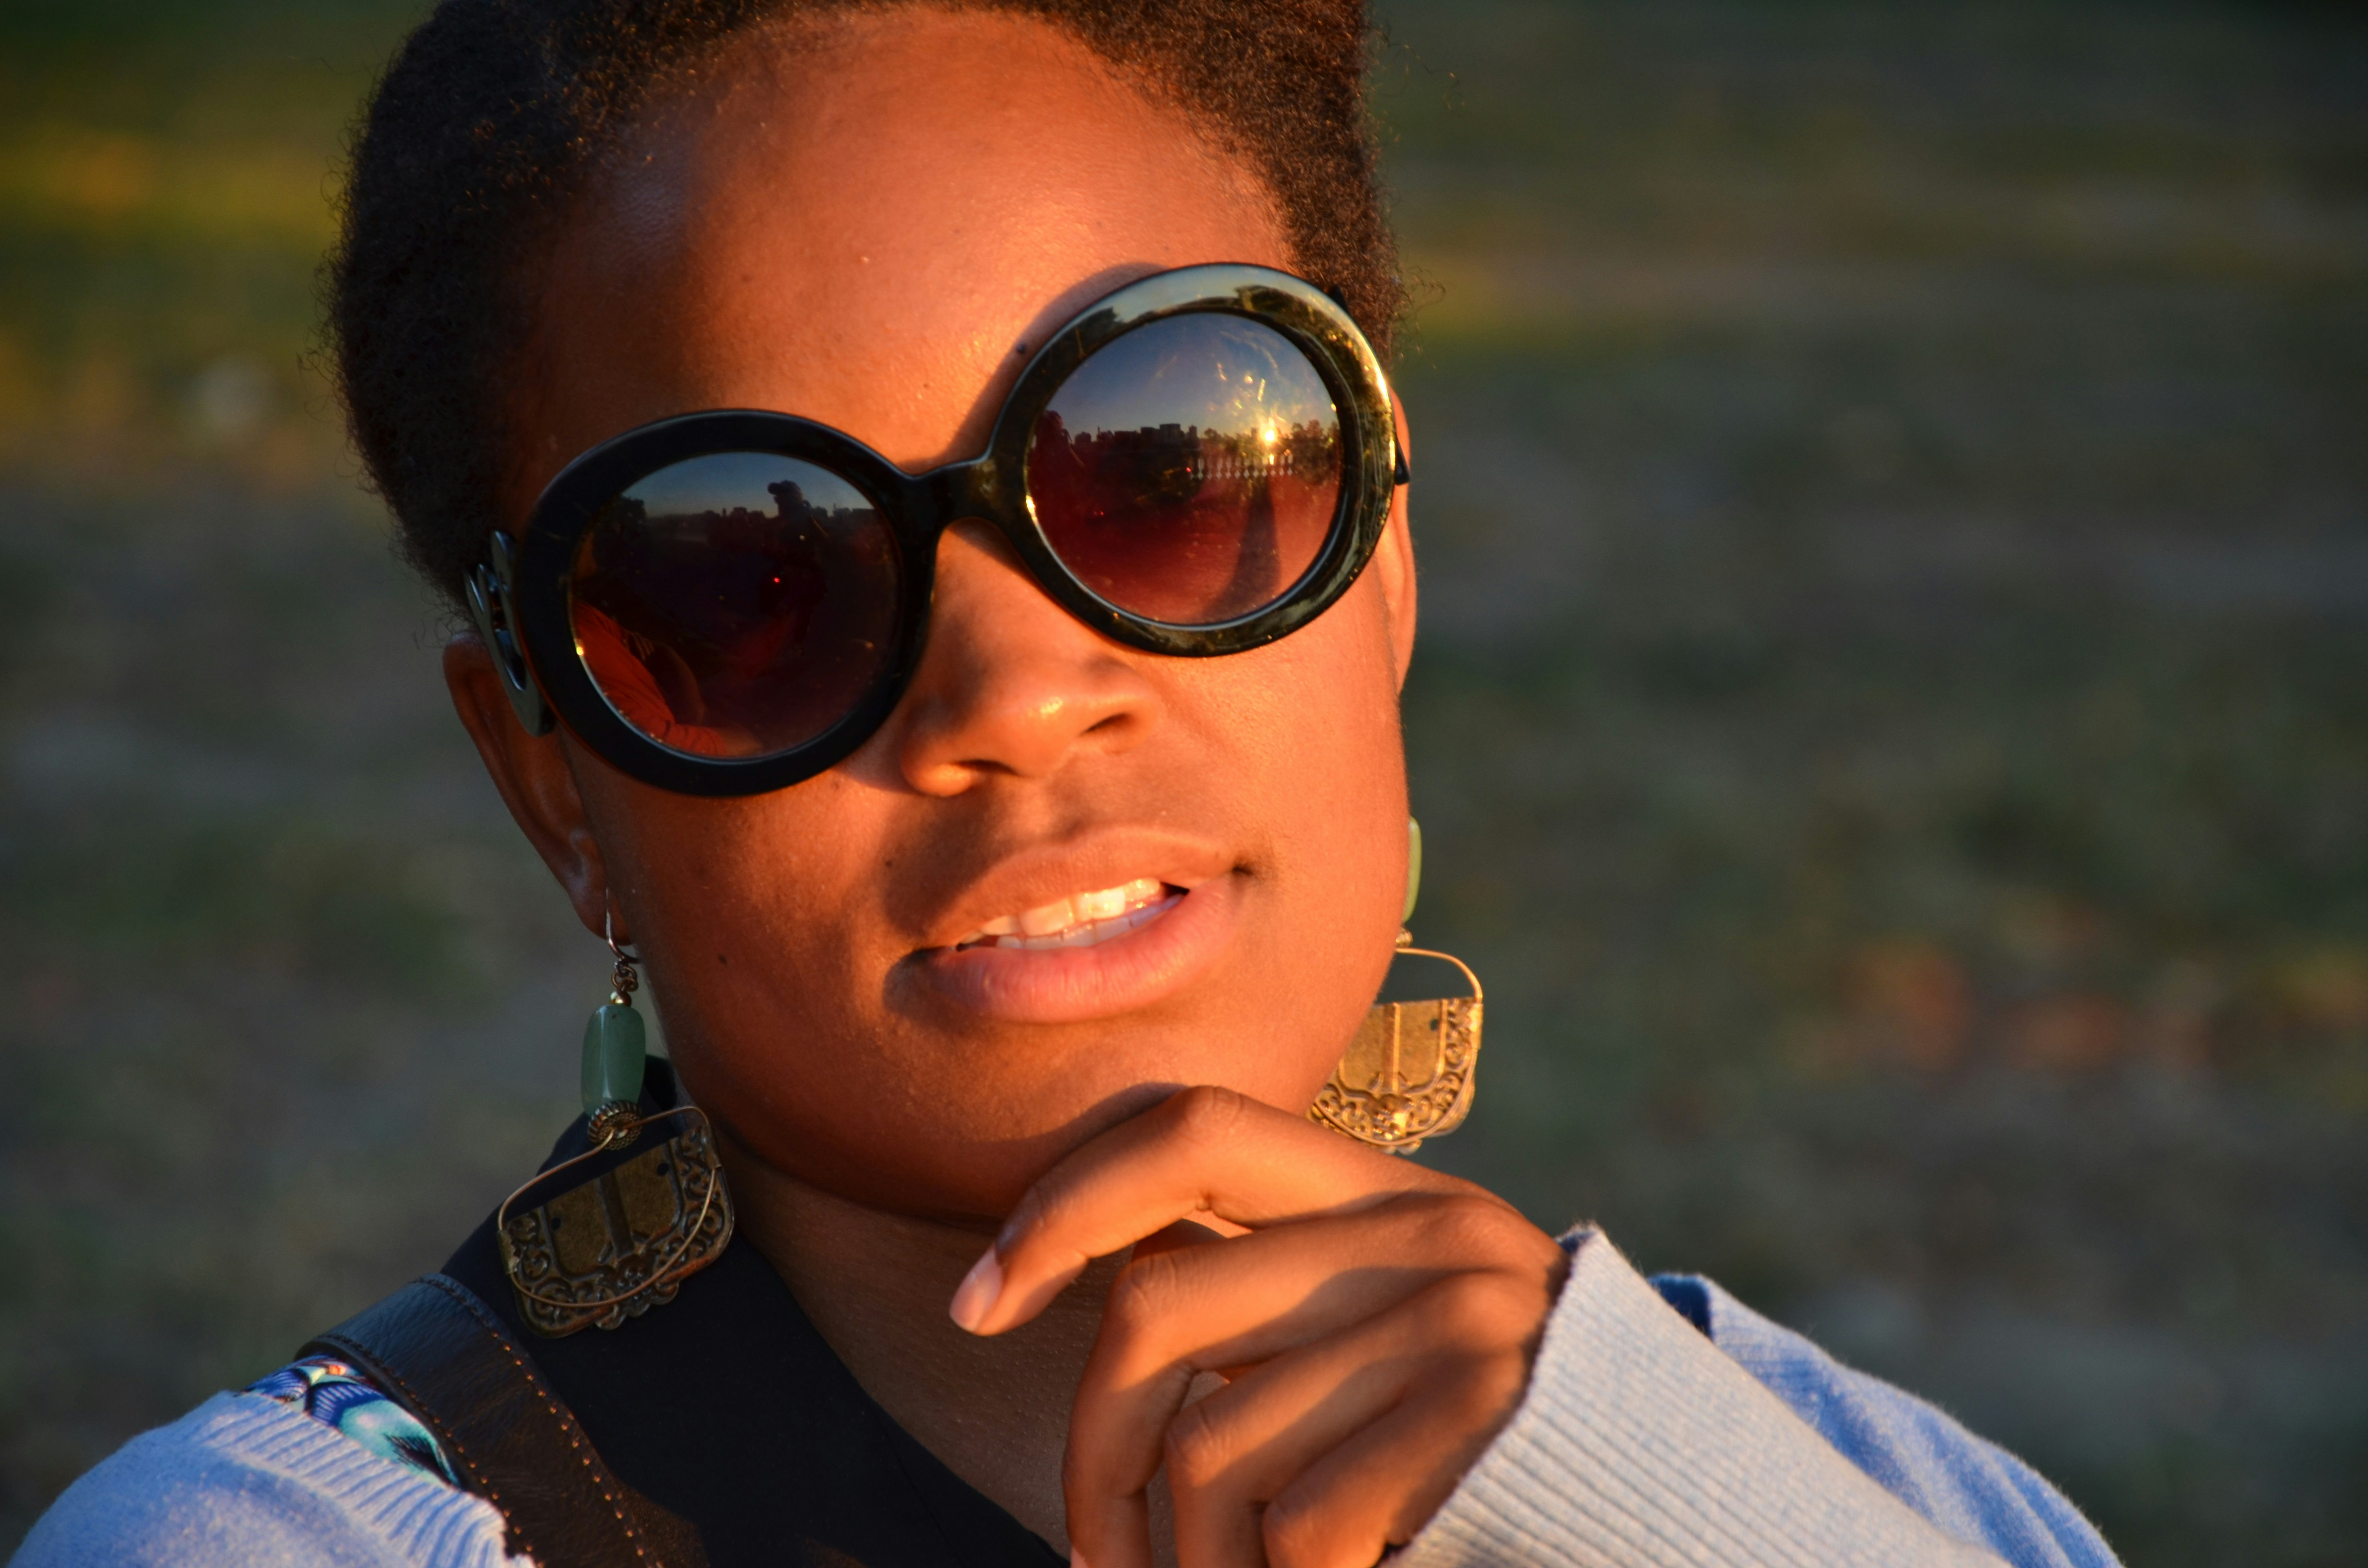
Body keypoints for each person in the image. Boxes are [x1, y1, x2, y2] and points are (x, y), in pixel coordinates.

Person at [14, 3, 2120, 1566]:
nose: (1015, 693)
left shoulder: (1842, 1494)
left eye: (1164, 471)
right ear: (550, 779)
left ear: (1381, 565)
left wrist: (1649, 1506)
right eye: (744, 583)